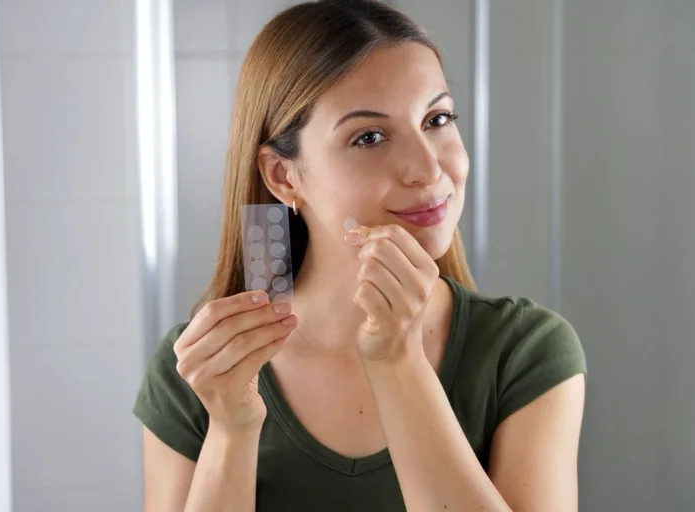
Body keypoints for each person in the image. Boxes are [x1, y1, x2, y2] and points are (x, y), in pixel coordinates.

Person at [132, 1, 587, 510]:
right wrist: (231, 430)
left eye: (437, 118)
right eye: (369, 137)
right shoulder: (201, 368)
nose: (427, 168)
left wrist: (398, 361)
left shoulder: (524, 353)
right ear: (284, 176)